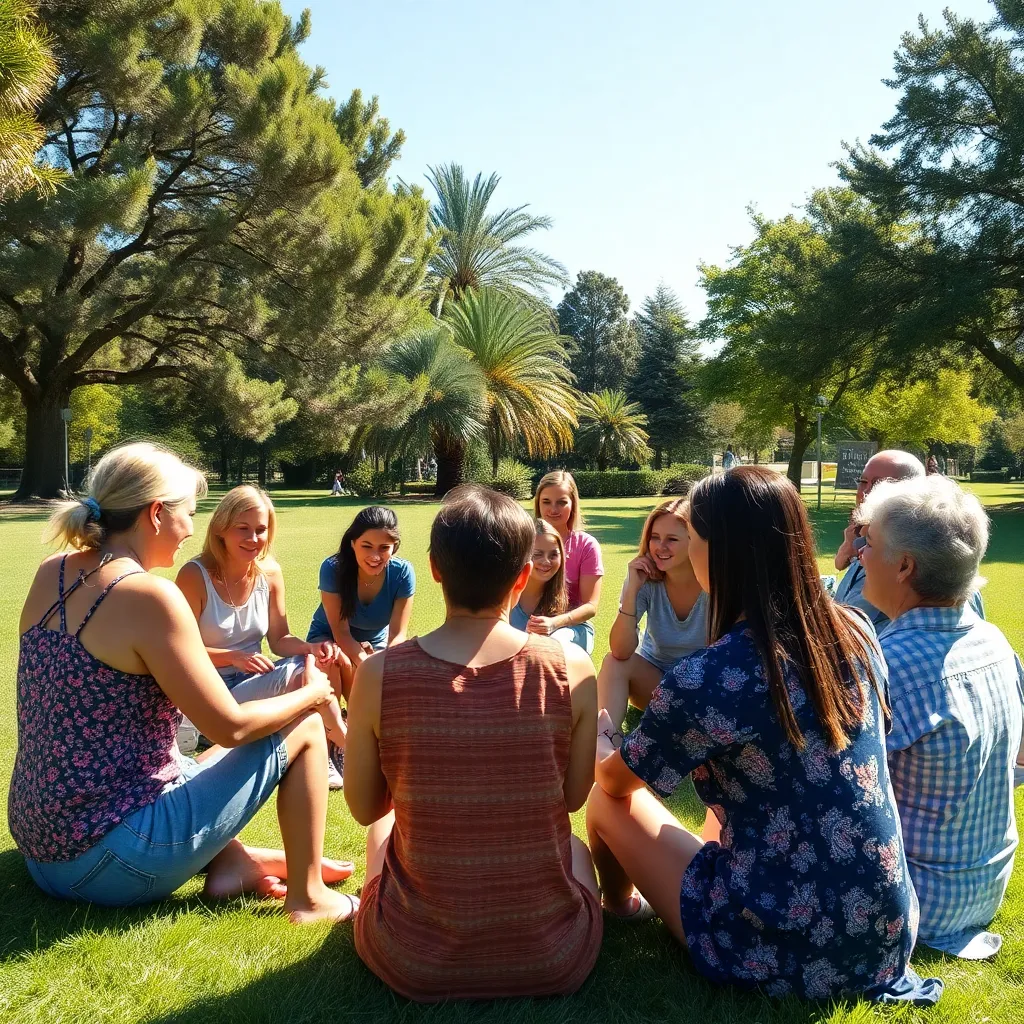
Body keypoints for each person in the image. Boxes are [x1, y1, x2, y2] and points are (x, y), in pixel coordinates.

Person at [586, 466, 941, 1004]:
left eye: (693, 537)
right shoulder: (858, 632)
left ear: (718, 552)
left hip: (781, 947)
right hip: (883, 935)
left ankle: (621, 906)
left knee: (603, 801)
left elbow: (617, 782)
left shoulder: (710, 676)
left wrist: (601, 739)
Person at [8, 442, 357, 922]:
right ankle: (310, 898)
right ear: (156, 514)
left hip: (41, 847)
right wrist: (314, 694)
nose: (192, 529)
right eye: (189, 514)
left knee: (192, 763)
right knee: (307, 725)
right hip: (108, 860)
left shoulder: (53, 571)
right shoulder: (149, 596)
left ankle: (235, 863)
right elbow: (231, 726)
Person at [346, 486, 602, 1001]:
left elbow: (365, 807)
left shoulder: (378, 674)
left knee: (382, 832)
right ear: (523, 575)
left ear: (434, 569)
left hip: (412, 960)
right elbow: (573, 799)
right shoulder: (572, 667)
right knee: (575, 848)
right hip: (552, 957)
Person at [855, 475, 1024, 960]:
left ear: (905, 566)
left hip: (915, 899)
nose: (860, 555)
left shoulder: (888, 663)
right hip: (983, 888)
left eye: (870, 543)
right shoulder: (994, 642)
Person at [176, 487, 349, 788]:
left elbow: (280, 640)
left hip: (251, 684)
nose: (253, 538)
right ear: (221, 529)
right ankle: (344, 745)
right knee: (303, 676)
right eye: (242, 528)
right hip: (207, 693)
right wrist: (233, 657)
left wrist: (312, 647)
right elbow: (179, 652)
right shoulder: (195, 575)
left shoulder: (269, 573)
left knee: (318, 663)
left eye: (260, 529)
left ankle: (330, 746)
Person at [834, 449, 985, 629]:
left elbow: (843, 629)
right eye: (863, 482)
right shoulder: (864, 544)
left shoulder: (901, 561)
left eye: (881, 484)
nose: (866, 493)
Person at [598, 496, 708, 728]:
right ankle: (604, 740)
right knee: (614, 663)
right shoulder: (644, 579)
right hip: (654, 682)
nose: (660, 547)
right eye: (654, 537)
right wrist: (632, 591)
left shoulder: (713, 583)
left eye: (672, 539)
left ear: (694, 541)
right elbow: (620, 650)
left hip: (705, 685)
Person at [306, 506, 415, 699]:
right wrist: (367, 664)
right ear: (353, 543)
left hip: (374, 642)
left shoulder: (402, 573)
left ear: (394, 547)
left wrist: (383, 664)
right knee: (339, 661)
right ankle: (338, 717)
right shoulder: (332, 569)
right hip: (328, 637)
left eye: (384, 548)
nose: (375, 556)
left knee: (380, 689)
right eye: (366, 546)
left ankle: (356, 715)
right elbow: (341, 632)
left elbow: (397, 636)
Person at [532, 471, 603, 653]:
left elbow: (590, 606)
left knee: (554, 645)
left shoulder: (586, 545)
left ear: (573, 504)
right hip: (530, 620)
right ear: (538, 503)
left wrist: (555, 623)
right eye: (546, 502)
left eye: (561, 502)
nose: (553, 509)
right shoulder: (524, 540)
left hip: (572, 627)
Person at [509, 519, 587, 648]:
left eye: (553, 555)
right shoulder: (503, 598)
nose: (546, 561)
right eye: (537, 554)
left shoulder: (565, 606)